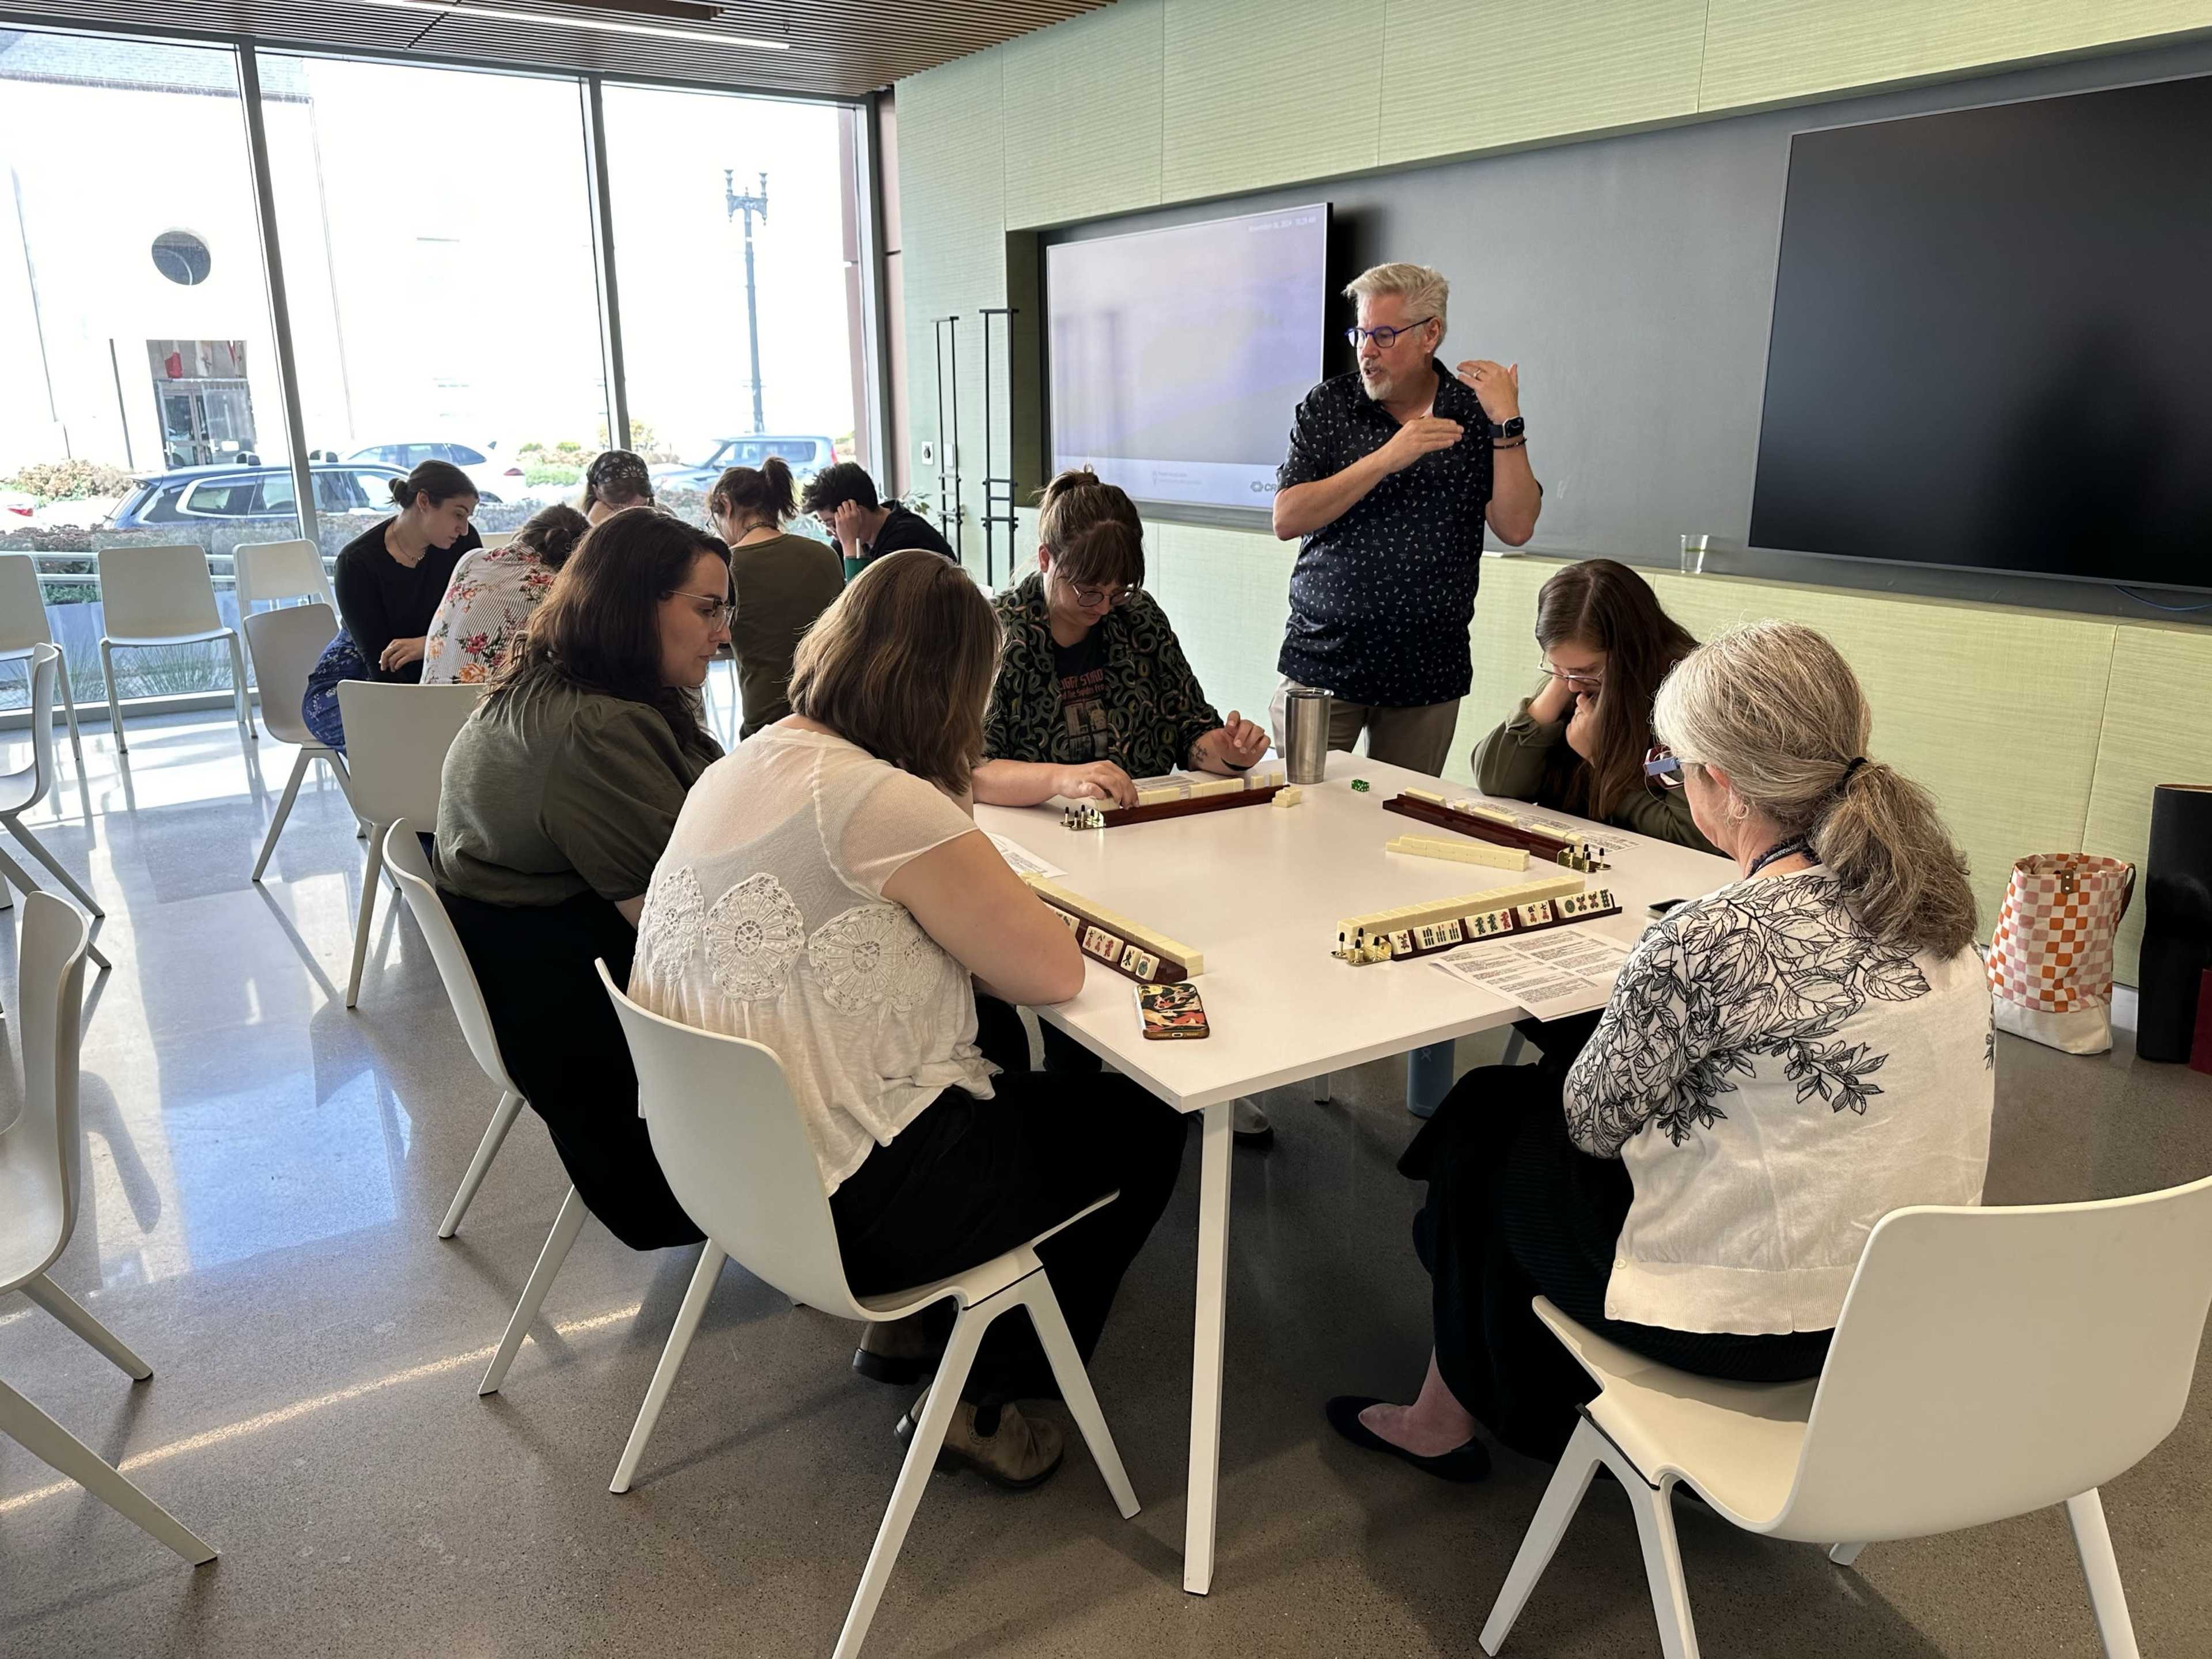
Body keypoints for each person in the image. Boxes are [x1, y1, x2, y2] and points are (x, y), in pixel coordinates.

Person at [1328, 620, 1991, 1479]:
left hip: (1749, 1331)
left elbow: (1592, 1126)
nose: (1672, 782)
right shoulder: (1934, 908)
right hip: (1892, 1316)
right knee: (1496, 1130)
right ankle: (1459, 1342)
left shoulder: (1711, 936)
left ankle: (1453, 1405)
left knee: (1488, 1123)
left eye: (1672, 767)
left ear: (1722, 785)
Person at [629, 549, 1188, 1490]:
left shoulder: (759, 754)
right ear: (954, 688)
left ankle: (906, 1333)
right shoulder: (885, 801)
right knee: (1142, 1123)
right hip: (847, 1208)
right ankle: (984, 1395)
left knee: (995, 1051)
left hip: (727, 1173)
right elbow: (1049, 971)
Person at [433, 507, 730, 1249]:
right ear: (636, 606)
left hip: (552, 1013)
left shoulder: (543, 690)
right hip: (616, 1065)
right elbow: (690, 934)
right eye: (708, 608)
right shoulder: (597, 731)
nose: (724, 631)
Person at [970, 468, 1278, 1147]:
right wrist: (1063, 777)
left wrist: (1226, 750)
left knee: (1204, 939)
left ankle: (1202, 1076)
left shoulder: (1139, 621)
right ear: (1047, 560)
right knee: (1087, 983)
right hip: (1047, 848)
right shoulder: (1003, 631)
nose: (1104, 605)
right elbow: (971, 768)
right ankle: (1084, 1091)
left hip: (1146, 833)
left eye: (1120, 591)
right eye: (1089, 590)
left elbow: (1185, 730)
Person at [1270, 262, 1543, 777]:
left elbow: (1517, 526)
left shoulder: (1472, 412)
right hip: (1324, 662)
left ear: (1430, 335)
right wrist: (1384, 459)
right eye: (1360, 333)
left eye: (1384, 335)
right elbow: (1287, 518)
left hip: (1427, 673)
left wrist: (1507, 422)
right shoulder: (1330, 405)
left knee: (1398, 829)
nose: (1366, 351)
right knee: (1299, 816)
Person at [1469, 559, 1714, 852]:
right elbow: (1496, 782)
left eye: (1585, 670)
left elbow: (1691, 835)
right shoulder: (1576, 685)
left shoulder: (1691, 696)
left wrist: (1601, 759)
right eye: (1557, 667)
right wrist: (1555, 690)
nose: (1573, 685)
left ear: (1630, 652)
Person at [707, 456, 844, 738]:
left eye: (715, 519)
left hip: (766, 724)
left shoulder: (726, 568)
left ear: (726, 504)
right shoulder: (825, 556)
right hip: (832, 718)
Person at [332, 459, 483, 685]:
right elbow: (380, 663)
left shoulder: (464, 543)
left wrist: (428, 644)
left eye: (467, 518)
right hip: (361, 673)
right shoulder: (355, 563)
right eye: (458, 515)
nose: (463, 529)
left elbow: (478, 620)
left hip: (441, 660)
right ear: (423, 501)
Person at [420, 503, 590, 685]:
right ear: (580, 559)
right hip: (487, 709)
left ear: (525, 531)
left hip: (424, 705)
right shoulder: (558, 591)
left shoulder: (471, 559)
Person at [798, 460, 955, 581]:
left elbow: (862, 607)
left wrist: (851, 545)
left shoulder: (905, 539)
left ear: (855, 513)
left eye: (833, 523)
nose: (830, 531)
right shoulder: (857, 537)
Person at [581, 448, 655, 524]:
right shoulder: (578, 526)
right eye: (621, 510)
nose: (636, 518)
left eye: (643, 507)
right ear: (596, 492)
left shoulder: (662, 519)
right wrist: (596, 526)